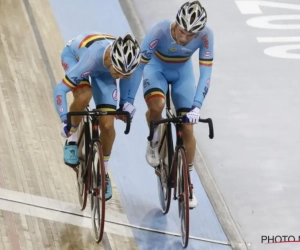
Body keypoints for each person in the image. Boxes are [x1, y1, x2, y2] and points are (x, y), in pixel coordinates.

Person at [122, 1, 214, 208]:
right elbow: (139, 67)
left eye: (191, 35)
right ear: (176, 24)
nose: (185, 38)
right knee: (157, 106)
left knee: (188, 127)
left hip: (183, 74)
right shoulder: (159, 31)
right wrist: (127, 101)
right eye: (182, 31)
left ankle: (188, 182)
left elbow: (206, 72)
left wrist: (197, 106)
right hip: (157, 69)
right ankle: (154, 140)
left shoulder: (207, 35)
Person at [53, 32, 141, 201]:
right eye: (119, 72)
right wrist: (65, 120)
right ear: (112, 59)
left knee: (107, 125)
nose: (121, 77)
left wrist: (125, 103)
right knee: (84, 95)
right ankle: (72, 139)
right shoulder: (92, 57)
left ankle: (103, 171)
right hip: (77, 58)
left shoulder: (124, 65)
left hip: (104, 71)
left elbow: (126, 79)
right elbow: (60, 90)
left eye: (125, 74)